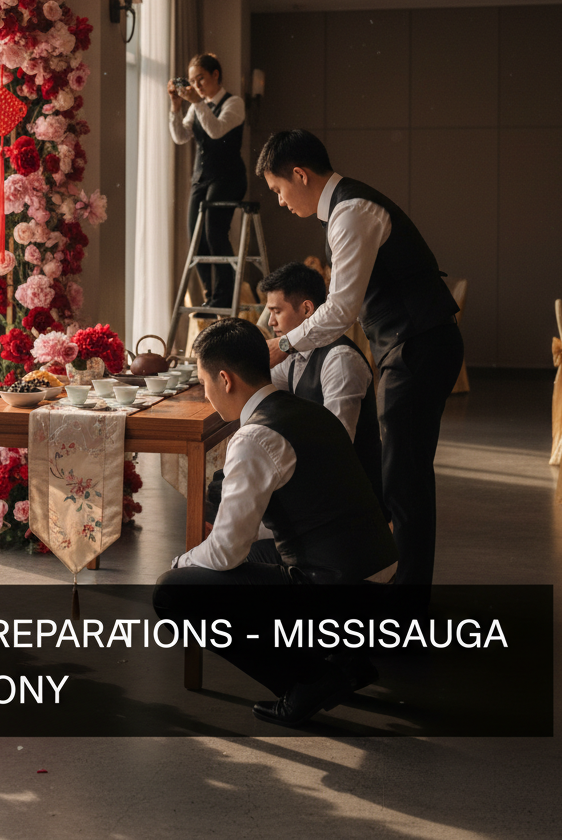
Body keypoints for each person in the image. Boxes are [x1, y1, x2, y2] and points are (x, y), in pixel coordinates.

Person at [153, 318, 398, 726]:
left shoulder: (254, 437)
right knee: (249, 557)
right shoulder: (308, 410)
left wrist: (183, 561)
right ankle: (347, 660)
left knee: (174, 591)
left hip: (339, 588)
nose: (206, 394)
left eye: (204, 382)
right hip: (378, 571)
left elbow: (226, 552)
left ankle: (308, 681)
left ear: (225, 379)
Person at [255, 129, 464, 587]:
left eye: (278, 189)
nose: (280, 201)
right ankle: (399, 583)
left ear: (299, 174)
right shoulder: (345, 209)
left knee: (404, 476)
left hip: (418, 344)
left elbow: (340, 310)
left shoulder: (351, 212)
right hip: (410, 344)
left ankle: (407, 598)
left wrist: (282, 345)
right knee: (403, 473)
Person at [262, 261, 383, 505]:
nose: (270, 322)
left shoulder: (340, 359)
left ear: (307, 309)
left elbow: (337, 443)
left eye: (276, 311)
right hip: (320, 479)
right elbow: (260, 384)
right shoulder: (295, 354)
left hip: (350, 497)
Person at [168, 53, 246, 315]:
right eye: (192, 81)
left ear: (215, 75)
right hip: (201, 178)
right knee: (195, 236)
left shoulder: (234, 103)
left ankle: (225, 297)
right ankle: (211, 296)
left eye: (200, 78)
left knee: (214, 232)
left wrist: (197, 103)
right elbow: (180, 136)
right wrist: (176, 106)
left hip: (228, 177)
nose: (196, 85)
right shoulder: (196, 105)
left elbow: (216, 130)